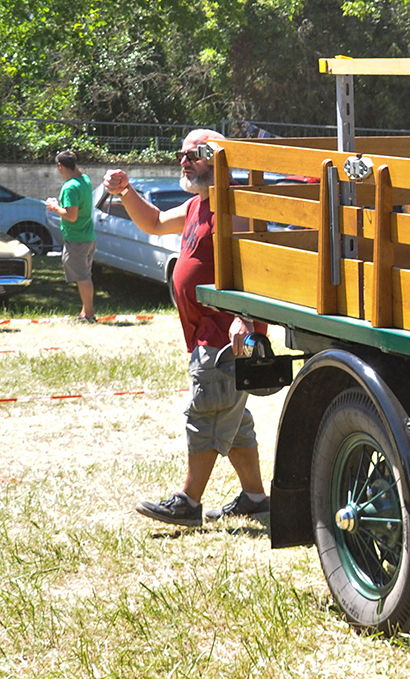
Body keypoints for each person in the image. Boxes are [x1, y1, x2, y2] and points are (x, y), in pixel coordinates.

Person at [104, 129, 271, 527]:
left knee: (207, 413)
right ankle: (255, 497)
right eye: (181, 154)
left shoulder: (238, 208)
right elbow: (157, 222)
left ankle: (189, 502)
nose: (184, 160)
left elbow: (260, 269)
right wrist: (126, 191)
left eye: (194, 154)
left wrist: (244, 319)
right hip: (206, 336)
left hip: (226, 336)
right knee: (234, 419)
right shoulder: (199, 205)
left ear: (219, 158)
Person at [44, 150, 96, 321]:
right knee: (84, 275)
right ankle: (85, 311)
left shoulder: (70, 187)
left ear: (60, 166)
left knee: (82, 277)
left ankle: (89, 315)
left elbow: (71, 215)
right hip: (88, 236)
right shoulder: (84, 180)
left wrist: (54, 207)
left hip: (77, 238)